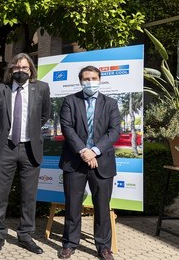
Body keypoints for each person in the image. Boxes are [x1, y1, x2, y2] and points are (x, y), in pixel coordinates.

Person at [0, 53, 51, 254]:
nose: (21, 71)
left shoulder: (41, 88)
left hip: (29, 148)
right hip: (5, 147)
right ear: (11, 70)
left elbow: (44, 115)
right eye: (17, 68)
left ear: (31, 70)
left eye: (25, 68)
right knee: (0, 194)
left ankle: (25, 235)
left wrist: (31, 131)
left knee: (28, 195)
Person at [57, 66, 121, 260]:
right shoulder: (70, 101)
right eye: (86, 78)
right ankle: (69, 243)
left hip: (102, 163)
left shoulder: (111, 103)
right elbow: (67, 128)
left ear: (100, 79)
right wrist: (84, 151)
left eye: (93, 78)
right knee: (73, 206)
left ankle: (103, 247)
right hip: (74, 161)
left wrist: (94, 151)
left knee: (102, 207)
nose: (90, 81)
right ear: (80, 81)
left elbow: (114, 131)